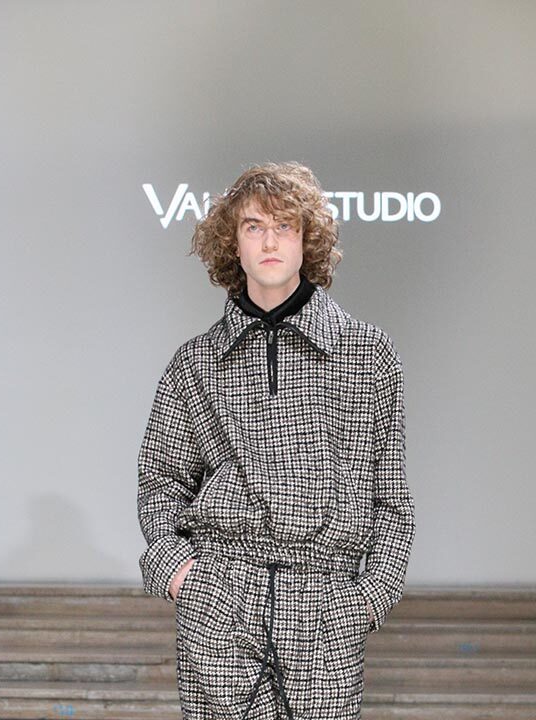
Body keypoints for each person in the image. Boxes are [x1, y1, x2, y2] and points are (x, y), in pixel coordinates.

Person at [137, 161, 416, 719]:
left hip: (325, 602)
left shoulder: (367, 353)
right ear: (232, 244)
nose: (270, 242)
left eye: (285, 226)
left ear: (307, 240)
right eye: (254, 227)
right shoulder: (196, 362)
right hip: (222, 595)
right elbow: (160, 483)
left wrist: (366, 601)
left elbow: (392, 497)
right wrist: (182, 577)